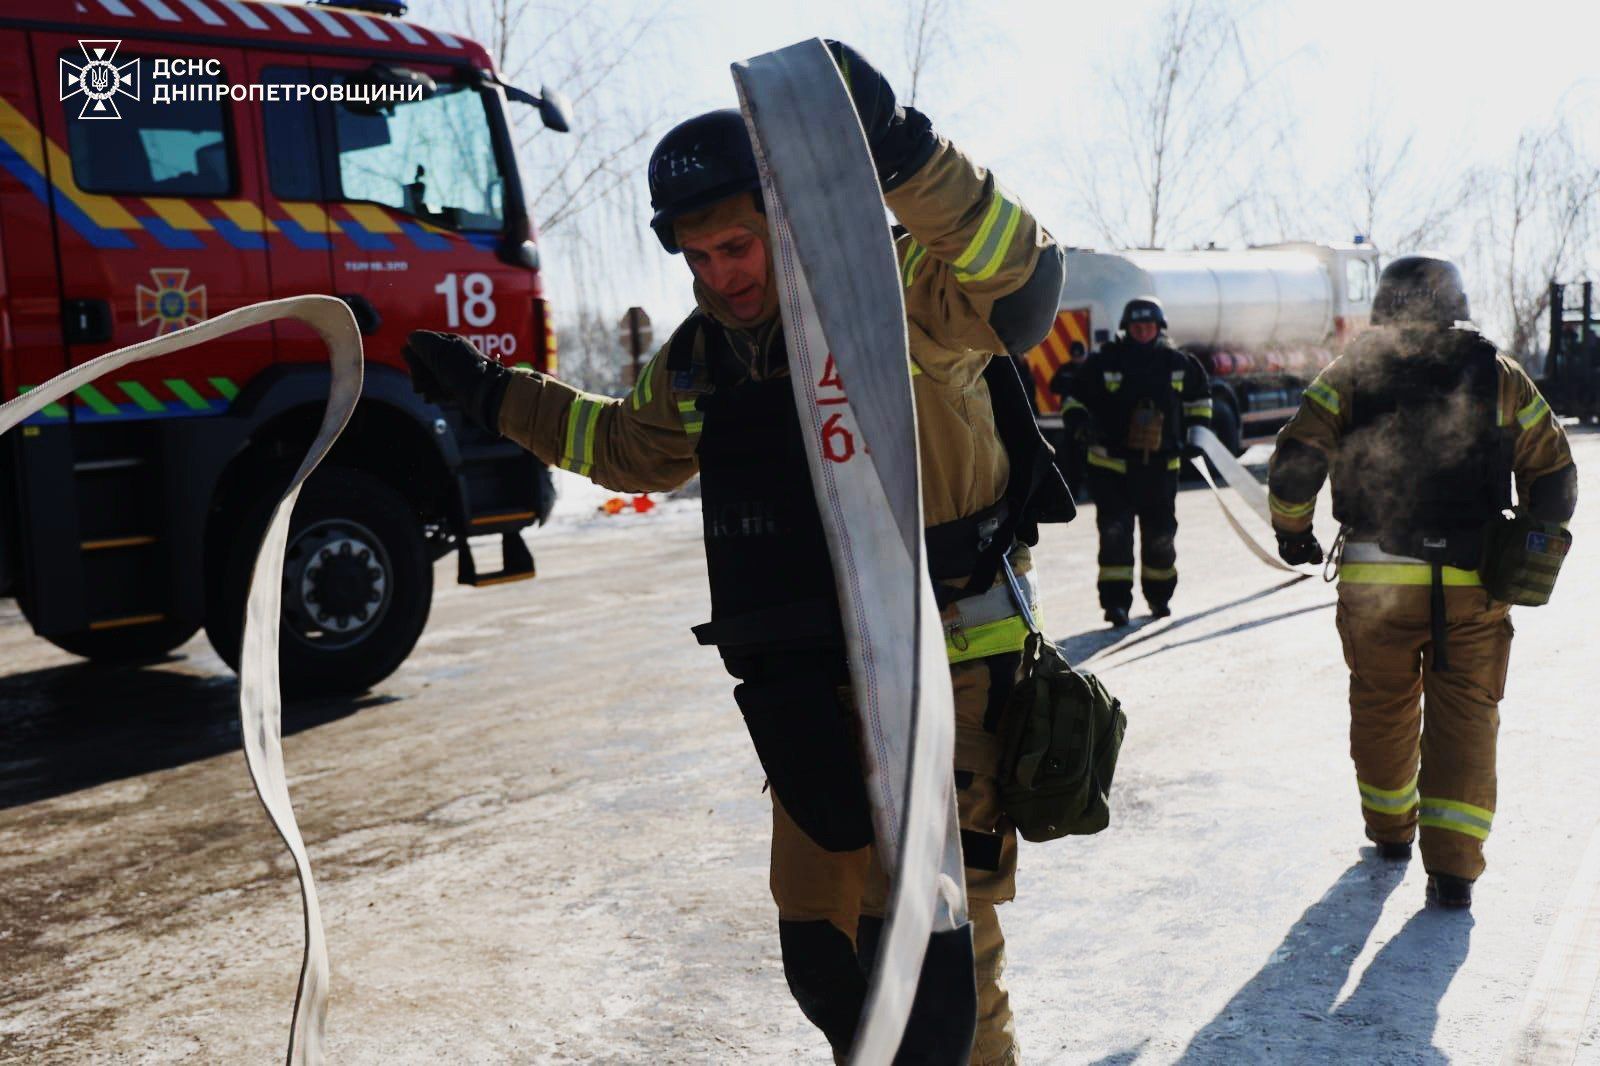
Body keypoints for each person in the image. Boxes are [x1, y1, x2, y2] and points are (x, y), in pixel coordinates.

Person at [401, 42, 1068, 1065]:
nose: (724, 275)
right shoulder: (704, 353)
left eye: (738, 246)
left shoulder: (890, 287)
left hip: (949, 672)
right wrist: (490, 392)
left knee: (941, 978)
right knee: (825, 958)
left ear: (782, 214)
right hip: (810, 686)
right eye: (699, 256)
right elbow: (625, 448)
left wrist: (900, 148)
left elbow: (1020, 281)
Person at [1266, 254, 1577, 909]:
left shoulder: (1348, 374)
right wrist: (1531, 546)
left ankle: (1389, 831)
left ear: (1384, 306)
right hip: (1473, 581)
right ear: (1455, 305)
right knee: (1466, 715)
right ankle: (1455, 870)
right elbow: (1555, 478)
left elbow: (1296, 461)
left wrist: (1294, 531)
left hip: (1373, 580)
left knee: (1381, 703)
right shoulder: (1500, 375)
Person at [1056, 297, 1212, 626]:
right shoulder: (1103, 362)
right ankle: (1116, 605)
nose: (1143, 332)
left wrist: (1197, 437)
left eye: (1149, 326)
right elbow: (1072, 400)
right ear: (1126, 328)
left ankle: (1159, 597)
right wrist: (1081, 426)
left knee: (1160, 537)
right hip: (1112, 470)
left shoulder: (1178, 363)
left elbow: (1200, 398)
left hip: (1160, 470)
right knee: (1115, 536)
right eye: (1137, 327)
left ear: (1159, 328)